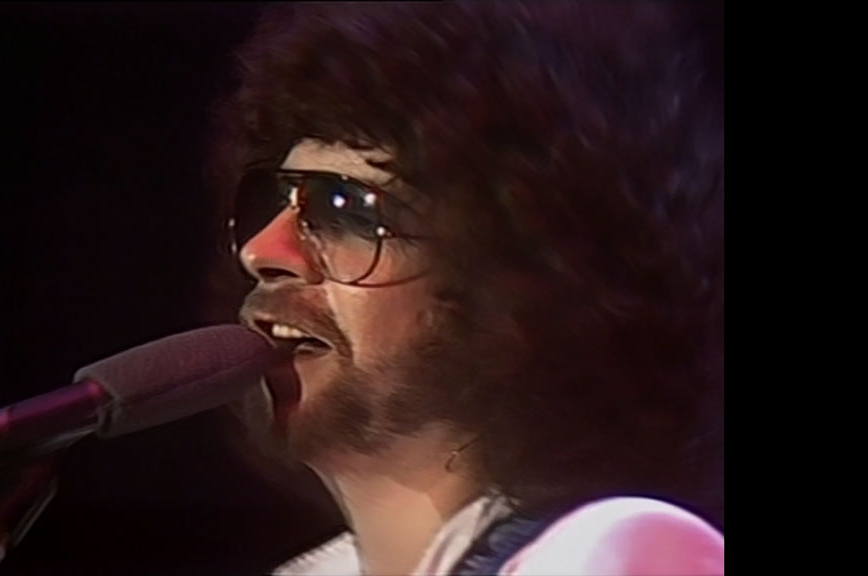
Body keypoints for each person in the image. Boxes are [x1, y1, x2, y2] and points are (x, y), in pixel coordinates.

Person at [205, 1, 724, 574]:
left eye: (346, 209)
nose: (262, 251)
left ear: (518, 283)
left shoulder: (617, 553)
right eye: (277, 200)